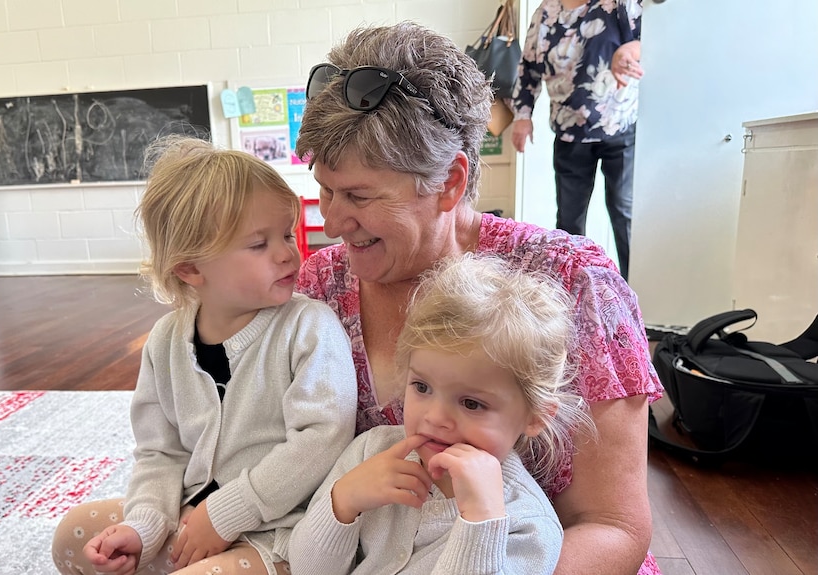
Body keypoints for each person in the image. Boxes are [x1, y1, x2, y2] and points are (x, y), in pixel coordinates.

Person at [295, 21, 663, 575]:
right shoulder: (319, 287)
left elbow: (615, 528)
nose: (333, 220)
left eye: (358, 195)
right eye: (324, 189)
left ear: (449, 181)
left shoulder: (573, 283)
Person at [50, 136, 358, 575]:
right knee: (73, 538)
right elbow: (159, 453)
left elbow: (322, 439)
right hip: (191, 520)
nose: (288, 253)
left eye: (286, 234)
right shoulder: (165, 341)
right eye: (258, 244)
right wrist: (143, 527)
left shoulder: (310, 326)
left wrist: (229, 512)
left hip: (281, 535)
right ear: (191, 268)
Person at [289, 254, 594, 574]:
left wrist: (480, 522)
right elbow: (306, 568)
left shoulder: (528, 526)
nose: (435, 417)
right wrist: (344, 502)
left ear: (535, 417)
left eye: (472, 404)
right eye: (421, 387)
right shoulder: (370, 451)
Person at [510, 0, 644, 281]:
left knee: (624, 214)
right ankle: (571, 293)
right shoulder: (546, 13)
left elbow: (656, 37)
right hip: (570, 134)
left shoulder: (620, 4)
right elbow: (529, 67)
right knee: (569, 221)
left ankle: (637, 295)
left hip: (619, 128)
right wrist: (523, 115)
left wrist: (634, 48)